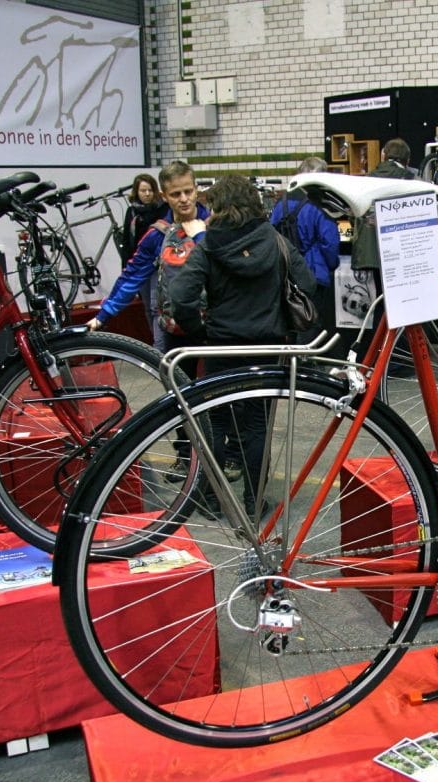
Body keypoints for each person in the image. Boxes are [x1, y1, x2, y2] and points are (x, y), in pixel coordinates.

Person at [168, 174, 315, 518]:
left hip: (221, 350)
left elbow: (181, 296)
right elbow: (307, 284)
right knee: (256, 427)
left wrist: (199, 331)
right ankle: (254, 501)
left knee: (217, 425)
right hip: (268, 349)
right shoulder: (276, 240)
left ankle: (212, 500)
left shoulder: (208, 245)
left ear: (220, 208)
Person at [87, 160, 209, 355]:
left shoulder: (216, 225)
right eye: (176, 194)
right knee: (176, 382)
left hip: (212, 324)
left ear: (196, 189)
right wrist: (103, 315)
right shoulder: (157, 234)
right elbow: (132, 276)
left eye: (188, 191)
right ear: (164, 196)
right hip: (175, 327)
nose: (184, 199)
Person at [270, 156, 340, 345]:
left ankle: (291, 365)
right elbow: (329, 243)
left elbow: (271, 236)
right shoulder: (320, 206)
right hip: (314, 274)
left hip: (286, 274)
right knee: (311, 322)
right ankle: (306, 366)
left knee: (291, 322)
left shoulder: (280, 203)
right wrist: (332, 265)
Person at [119, 172, 167, 339]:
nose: (147, 194)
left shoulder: (163, 209)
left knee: (156, 306)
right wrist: (126, 269)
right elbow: (127, 242)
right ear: (136, 192)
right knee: (147, 306)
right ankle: (155, 338)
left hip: (158, 264)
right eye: (143, 191)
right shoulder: (132, 212)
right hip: (140, 265)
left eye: (150, 190)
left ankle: (160, 345)